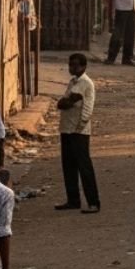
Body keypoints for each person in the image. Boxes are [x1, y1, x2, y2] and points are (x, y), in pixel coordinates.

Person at [55, 53, 100, 215]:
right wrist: (62, 103)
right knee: (69, 166)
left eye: (75, 65)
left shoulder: (84, 83)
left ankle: (93, 202)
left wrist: (63, 102)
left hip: (78, 129)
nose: (71, 68)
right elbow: (62, 103)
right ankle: (73, 199)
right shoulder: (73, 81)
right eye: (70, 65)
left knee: (84, 167)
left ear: (83, 66)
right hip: (67, 128)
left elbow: (66, 102)